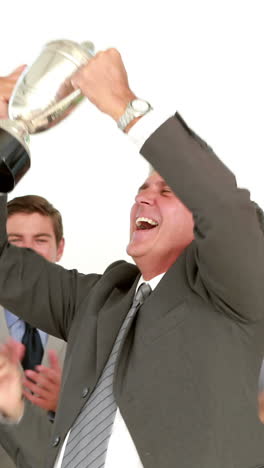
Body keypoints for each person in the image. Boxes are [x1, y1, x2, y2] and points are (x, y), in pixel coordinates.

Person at [0, 48, 264, 468]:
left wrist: (125, 107)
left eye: (166, 190)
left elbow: (225, 208)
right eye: (142, 188)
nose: (144, 195)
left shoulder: (231, 295)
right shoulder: (99, 298)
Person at [0, 195, 67, 467]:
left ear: (59, 248)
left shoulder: (92, 326)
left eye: (40, 240)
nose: (27, 251)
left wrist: (62, 402)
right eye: (15, 241)